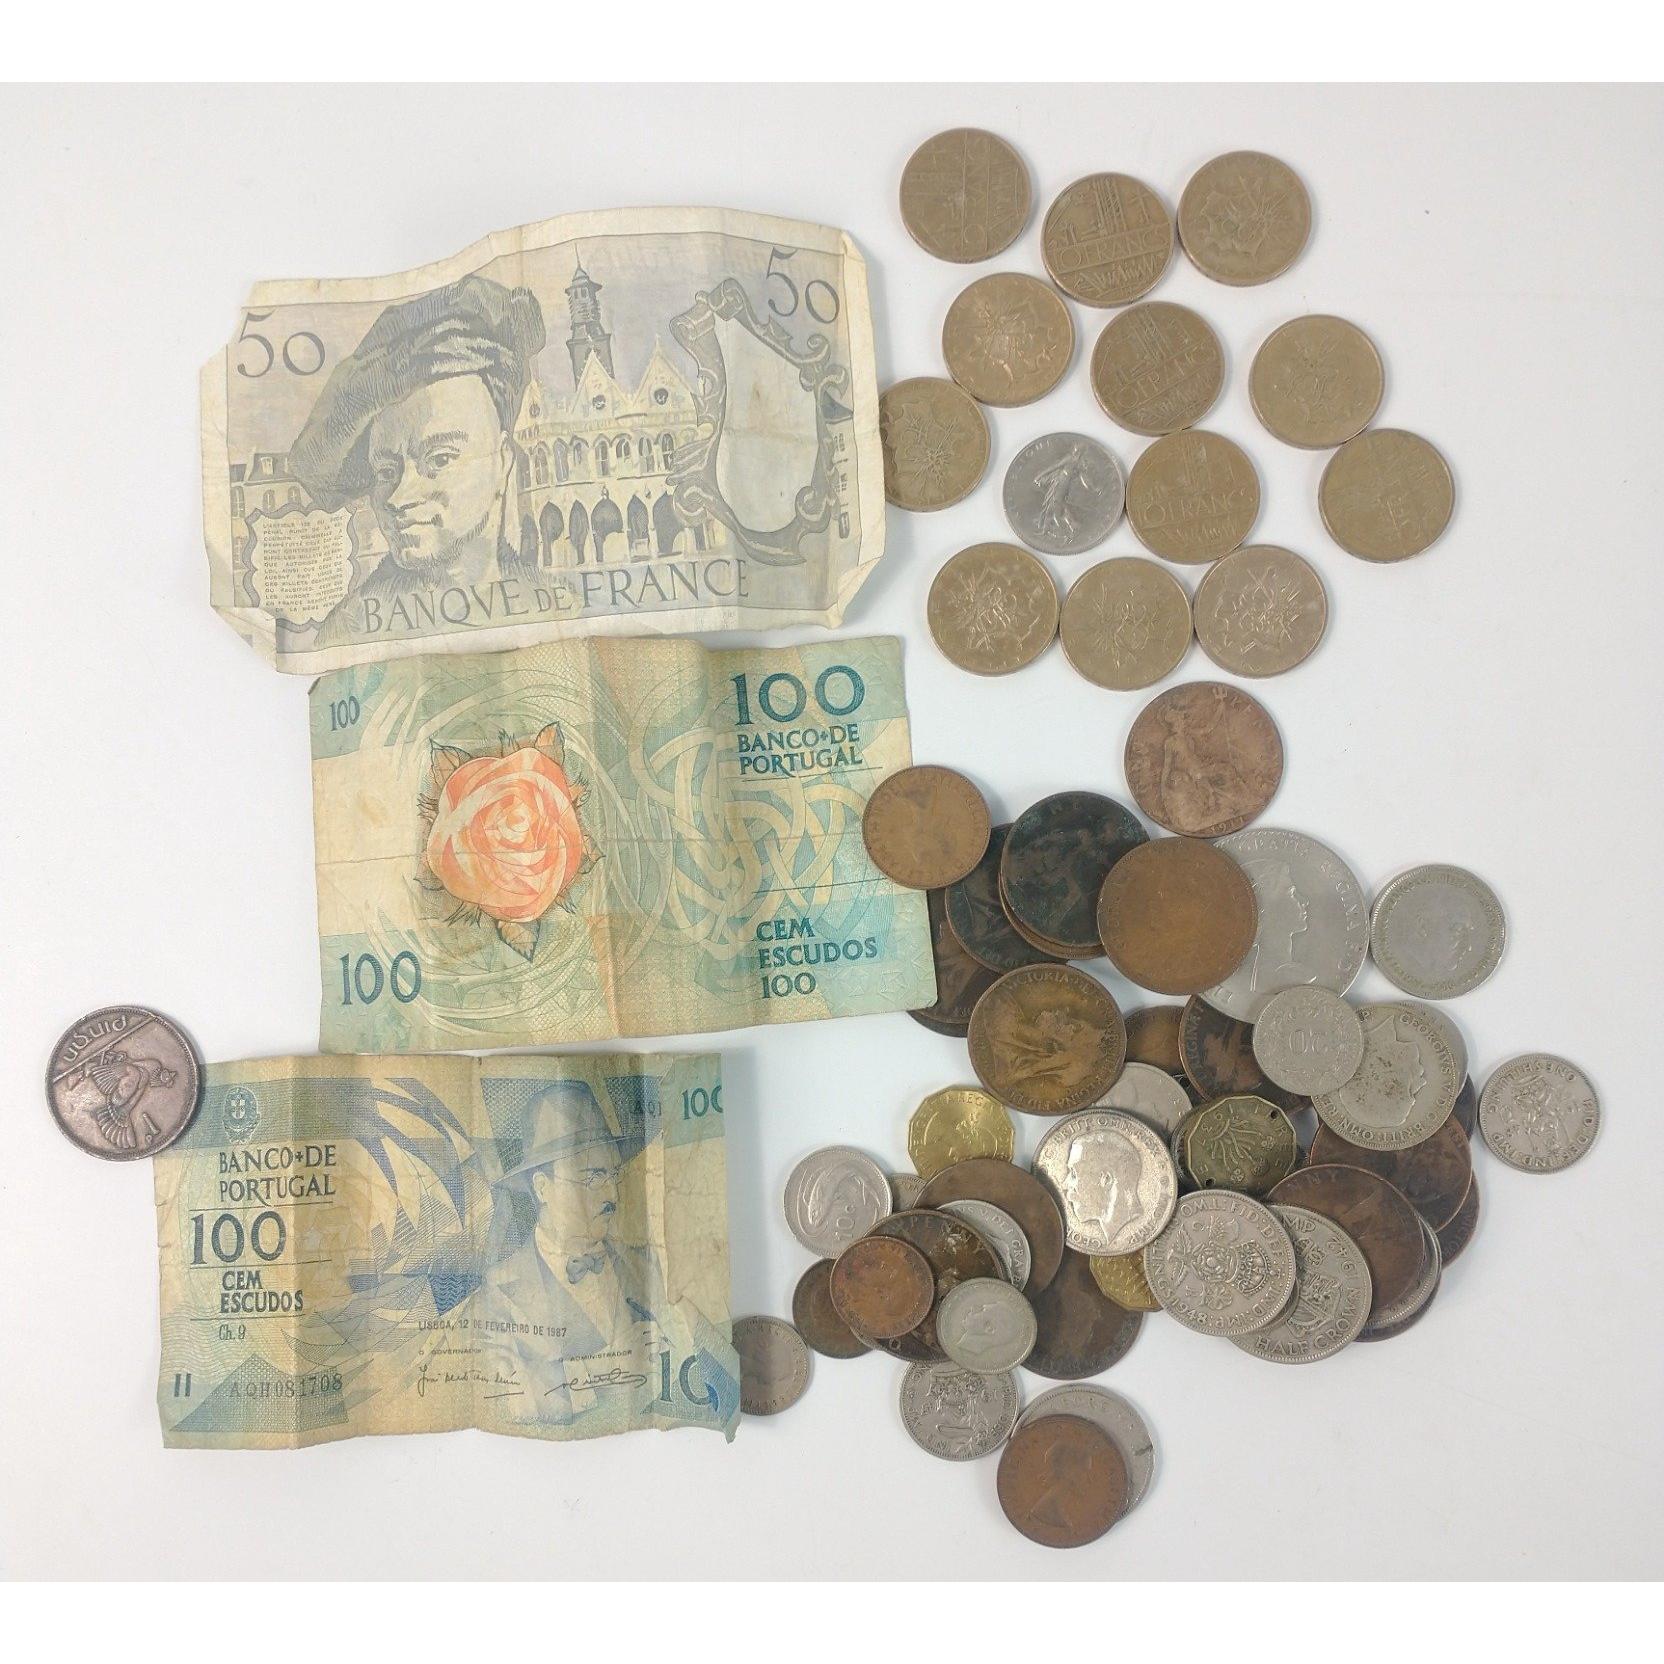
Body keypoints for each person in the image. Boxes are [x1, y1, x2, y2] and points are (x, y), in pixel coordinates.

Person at [290, 273, 547, 647]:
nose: (397, 497)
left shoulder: (556, 603)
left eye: (439, 459)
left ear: (503, 461)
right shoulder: (346, 634)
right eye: (385, 471)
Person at [478, 1080, 658, 1426]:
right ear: (542, 1188)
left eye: (613, 1175)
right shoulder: (499, 1290)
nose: (613, 1195)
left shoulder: (643, 1265)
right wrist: (608, 1367)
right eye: (593, 1178)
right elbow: (506, 1400)